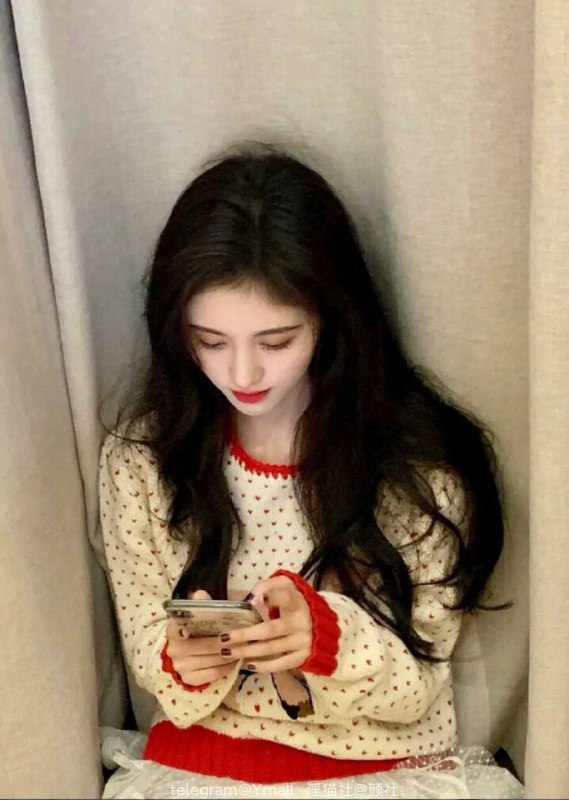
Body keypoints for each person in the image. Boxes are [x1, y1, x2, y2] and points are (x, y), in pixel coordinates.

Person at [98, 142, 525, 799]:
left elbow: (418, 683)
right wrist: (183, 660)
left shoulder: (417, 472)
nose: (242, 373)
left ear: (332, 318)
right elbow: (150, 655)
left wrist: (325, 638)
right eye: (209, 341)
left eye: (276, 341)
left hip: (384, 774)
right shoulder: (143, 460)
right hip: (195, 772)